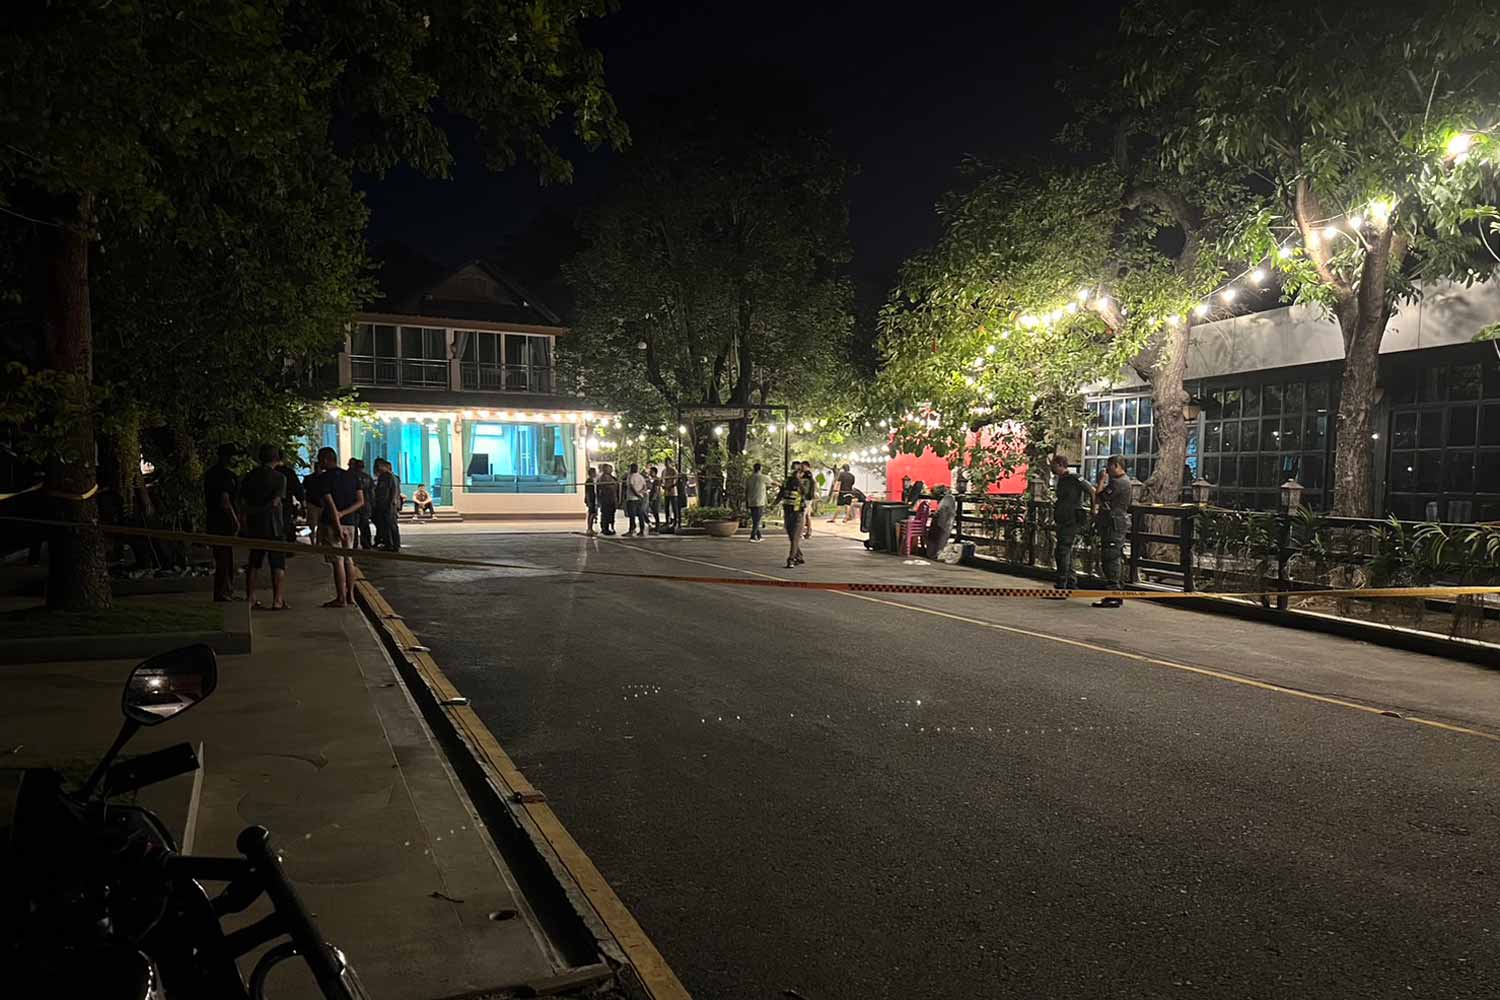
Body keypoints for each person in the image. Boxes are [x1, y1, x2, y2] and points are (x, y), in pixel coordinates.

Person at [305, 446, 364, 608]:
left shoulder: (323, 479)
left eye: (319, 459)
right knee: (348, 559)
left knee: (337, 561)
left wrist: (337, 521)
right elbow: (360, 501)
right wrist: (345, 513)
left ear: (325, 460)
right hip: (351, 523)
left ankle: (341, 598)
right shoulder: (352, 476)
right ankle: (351, 596)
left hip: (331, 524)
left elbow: (330, 505)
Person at [239, 444, 288, 610]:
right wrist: (265, 510)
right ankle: (277, 600)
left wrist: (249, 516)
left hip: (255, 526)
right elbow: (276, 502)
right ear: (276, 458)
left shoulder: (249, 476)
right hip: (274, 526)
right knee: (278, 564)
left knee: (254, 562)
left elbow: (242, 502)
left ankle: (250, 597)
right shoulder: (279, 478)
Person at [1092, 454, 1134, 609]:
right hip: (1114, 522)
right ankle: (1115, 591)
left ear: (1116, 465)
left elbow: (1099, 496)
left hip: (1114, 523)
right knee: (1113, 556)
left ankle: (1113, 592)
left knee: (1111, 557)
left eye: (1109, 467)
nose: (1107, 470)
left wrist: (1102, 480)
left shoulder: (1119, 483)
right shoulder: (1122, 481)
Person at [203, 443, 240, 602]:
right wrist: (235, 520)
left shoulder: (210, 474)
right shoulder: (226, 476)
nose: (236, 459)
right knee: (224, 558)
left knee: (223, 556)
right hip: (223, 521)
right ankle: (224, 592)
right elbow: (225, 501)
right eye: (233, 456)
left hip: (212, 518)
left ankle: (225, 590)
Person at [1050, 454, 1088, 591]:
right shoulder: (1061, 479)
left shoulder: (1074, 478)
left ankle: (1062, 583)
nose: (1052, 468)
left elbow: (1090, 490)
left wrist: (1094, 508)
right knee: (1064, 552)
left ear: (1060, 464)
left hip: (1070, 520)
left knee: (1063, 551)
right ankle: (1071, 581)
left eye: (1053, 465)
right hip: (1062, 519)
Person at [779, 463, 807, 568]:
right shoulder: (786, 481)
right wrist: (773, 504)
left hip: (798, 512)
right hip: (788, 511)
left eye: (798, 470)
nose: (795, 472)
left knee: (795, 537)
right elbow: (781, 493)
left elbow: (807, 493)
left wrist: (799, 482)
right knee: (791, 536)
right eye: (794, 470)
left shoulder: (805, 482)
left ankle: (791, 559)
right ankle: (798, 556)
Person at [372, 457, 402, 552]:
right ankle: (391, 543)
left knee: (389, 525)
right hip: (386, 505)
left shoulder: (387, 477)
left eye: (378, 466)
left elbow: (392, 492)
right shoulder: (388, 477)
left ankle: (391, 544)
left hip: (387, 505)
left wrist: (391, 503)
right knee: (388, 525)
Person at [276, 449, 303, 545]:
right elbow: (298, 490)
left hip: (261, 510)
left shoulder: (256, 474)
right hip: (285, 506)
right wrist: (302, 501)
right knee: (285, 528)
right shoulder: (288, 473)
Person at [349, 458, 375, 549]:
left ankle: (354, 543)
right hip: (366, 504)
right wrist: (372, 504)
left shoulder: (351, 477)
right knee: (365, 525)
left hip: (354, 504)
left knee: (354, 525)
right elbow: (372, 492)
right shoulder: (368, 477)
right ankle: (366, 543)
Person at [926, 485, 958, 558]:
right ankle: (937, 553)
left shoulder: (947, 499)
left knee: (937, 537)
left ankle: (934, 553)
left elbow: (942, 510)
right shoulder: (950, 498)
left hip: (942, 519)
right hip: (945, 520)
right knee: (941, 537)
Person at [623, 462, 649, 537]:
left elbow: (631, 487)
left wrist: (636, 494)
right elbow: (645, 486)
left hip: (632, 498)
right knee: (640, 514)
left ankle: (631, 530)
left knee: (632, 515)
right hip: (639, 498)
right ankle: (641, 530)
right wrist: (641, 493)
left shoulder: (630, 476)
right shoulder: (641, 477)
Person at [745, 462, 769, 541]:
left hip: (751, 501)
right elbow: (773, 483)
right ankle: (752, 536)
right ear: (760, 468)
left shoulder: (749, 478)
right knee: (757, 520)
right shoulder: (762, 477)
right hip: (759, 501)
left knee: (755, 519)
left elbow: (746, 490)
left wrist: (746, 501)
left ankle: (759, 536)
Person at [596, 463, 620, 535]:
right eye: (609, 468)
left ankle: (610, 527)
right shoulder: (603, 478)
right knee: (606, 514)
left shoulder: (612, 477)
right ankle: (605, 528)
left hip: (612, 499)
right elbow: (606, 488)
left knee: (611, 514)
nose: (611, 470)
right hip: (606, 499)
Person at [799, 461, 816, 540]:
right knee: (807, 515)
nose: (801, 468)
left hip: (806, 498)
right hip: (809, 497)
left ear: (806, 466)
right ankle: (808, 532)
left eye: (802, 466)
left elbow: (804, 486)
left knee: (803, 515)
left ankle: (800, 533)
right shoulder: (810, 475)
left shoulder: (807, 474)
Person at [661, 459, 679, 530]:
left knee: (674, 507)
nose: (666, 464)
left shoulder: (673, 470)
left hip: (673, 491)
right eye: (665, 462)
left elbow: (676, 480)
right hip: (666, 492)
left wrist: (670, 486)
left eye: (667, 462)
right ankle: (667, 521)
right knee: (666, 507)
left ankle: (675, 521)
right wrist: (663, 486)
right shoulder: (664, 471)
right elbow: (662, 480)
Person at [584, 467, 599, 536]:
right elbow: (588, 492)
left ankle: (591, 528)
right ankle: (589, 528)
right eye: (595, 472)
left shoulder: (592, 480)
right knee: (591, 514)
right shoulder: (589, 481)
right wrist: (589, 501)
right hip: (591, 499)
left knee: (592, 513)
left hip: (592, 499)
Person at [647, 465, 663, 530]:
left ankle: (657, 526)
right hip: (653, 497)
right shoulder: (653, 480)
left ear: (654, 472)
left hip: (655, 498)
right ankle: (656, 525)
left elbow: (656, 490)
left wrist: (653, 498)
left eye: (651, 472)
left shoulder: (657, 480)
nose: (650, 473)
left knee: (655, 512)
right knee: (654, 512)